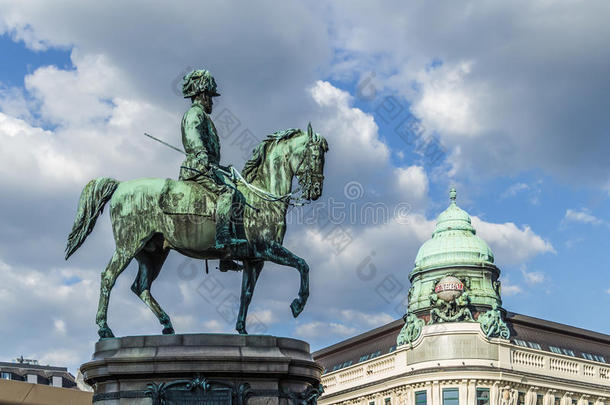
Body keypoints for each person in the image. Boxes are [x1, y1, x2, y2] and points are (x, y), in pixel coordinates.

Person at [179, 69, 246, 270]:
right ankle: (222, 238)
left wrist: (223, 168)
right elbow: (194, 140)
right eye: (210, 97)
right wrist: (201, 154)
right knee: (227, 192)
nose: (212, 102)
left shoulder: (202, 115)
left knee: (238, 191)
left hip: (207, 166)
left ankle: (226, 257)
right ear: (201, 94)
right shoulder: (194, 114)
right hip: (196, 168)